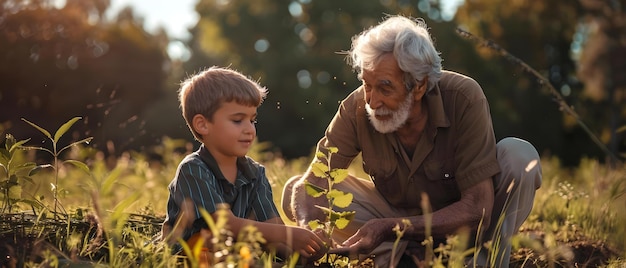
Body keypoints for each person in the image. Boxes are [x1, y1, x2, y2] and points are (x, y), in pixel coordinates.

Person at [281, 15, 542, 267]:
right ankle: (404, 257)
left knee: (519, 156)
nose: (372, 101)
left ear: (419, 86)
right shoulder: (357, 106)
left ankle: (481, 261)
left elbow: (477, 208)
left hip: (464, 230)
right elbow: (314, 180)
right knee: (296, 190)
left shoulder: (463, 97)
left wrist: (392, 228)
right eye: (366, 85)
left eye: (385, 88)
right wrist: (307, 230)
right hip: (390, 220)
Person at [162, 66, 327, 263]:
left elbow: (272, 230)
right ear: (202, 125)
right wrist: (288, 234)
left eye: (252, 120)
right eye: (238, 120)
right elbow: (224, 225)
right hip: (191, 256)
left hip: (235, 255)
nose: (249, 129)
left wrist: (303, 249)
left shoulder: (255, 174)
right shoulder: (193, 169)